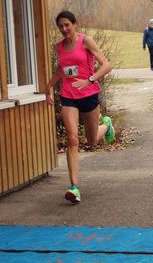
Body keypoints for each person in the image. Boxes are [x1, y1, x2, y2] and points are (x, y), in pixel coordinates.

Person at [45, 10, 114, 204]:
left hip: (89, 95)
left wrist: (89, 80)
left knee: (91, 141)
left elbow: (107, 65)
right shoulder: (58, 47)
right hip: (68, 96)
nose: (64, 29)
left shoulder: (86, 41)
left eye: (67, 25)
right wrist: (49, 86)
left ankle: (107, 125)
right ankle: (74, 187)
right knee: (72, 139)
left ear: (74, 24)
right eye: (61, 26)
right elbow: (62, 69)